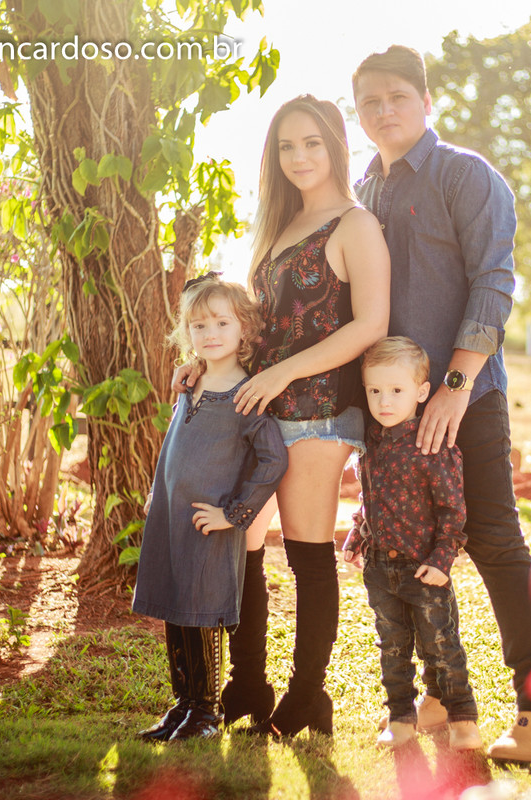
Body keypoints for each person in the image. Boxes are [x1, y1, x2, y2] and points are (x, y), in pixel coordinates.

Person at [351, 45, 531, 762]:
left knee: (494, 540)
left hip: (467, 397)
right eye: (370, 101)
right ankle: (441, 694)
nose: (383, 112)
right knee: (408, 549)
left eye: (396, 98)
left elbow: (494, 283)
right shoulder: (365, 190)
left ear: (426, 102)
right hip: (391, 410)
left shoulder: (466, 175)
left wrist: (454, 387)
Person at [175, 95, 390, 737]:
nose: (299, 157)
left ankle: (308, 698)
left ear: (335, 148)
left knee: (305, 551)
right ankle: (248, 686)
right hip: (262, 412)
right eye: (286, 146)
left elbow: (370, 324)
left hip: (320, 411)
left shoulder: (355, 225)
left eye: (312, 144)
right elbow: (256, 324)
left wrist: (282, 373)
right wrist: (205, 365)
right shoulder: (278, 227)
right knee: (243, 540)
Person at [133, 276, 289, 742]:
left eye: (222, 322)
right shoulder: (192, 385)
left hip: (210, 524)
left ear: (245, 329)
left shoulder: (246, 395)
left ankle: (206, 712)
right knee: (175, 611)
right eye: (198, 325)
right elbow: (174, 447)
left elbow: (273, 459)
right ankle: (183, 704)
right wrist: (157, 491)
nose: (210, 333)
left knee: (201, 612)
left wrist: (236, 514)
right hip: (173, 517)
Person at [342, 337, 482, 751]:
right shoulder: (370, 445)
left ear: (422, 392)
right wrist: (356, 536)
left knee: (441, 645)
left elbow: (453, 512)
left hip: (425, 569)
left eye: (397, 390)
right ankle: (401, 717)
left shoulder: (432, 445)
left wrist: (442, 561)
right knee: (392, 646)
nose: (385, 401)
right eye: (375, 391)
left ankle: (462, 719)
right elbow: (369, 502)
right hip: (380, 569)